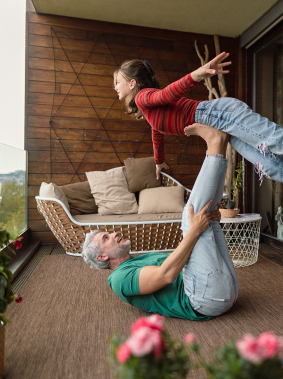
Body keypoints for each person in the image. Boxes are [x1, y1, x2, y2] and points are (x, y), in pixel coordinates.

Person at [113, 52, 283, 200]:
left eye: (117, 82)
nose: (115, 88)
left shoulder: (145, 97)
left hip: (221, 115)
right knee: (271, 166)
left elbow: (168, 94)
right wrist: (159, 162)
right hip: (225, 127)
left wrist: (195, 76)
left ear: (133, 83)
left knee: (278, 140)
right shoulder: (147, 110)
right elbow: (156, 133)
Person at [81, 126, 238, 320]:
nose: (113, 233)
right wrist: (194, 231)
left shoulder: (139, 260)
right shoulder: (118, 279)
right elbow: (166, 275)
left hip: (223, 290)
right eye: (106, 238)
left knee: (207, 214)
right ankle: (214, 143)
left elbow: (187, 259)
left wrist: (206, 227)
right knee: (190, 218)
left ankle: (221, 143)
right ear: (102, 257)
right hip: (203, 299)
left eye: (109, 233)